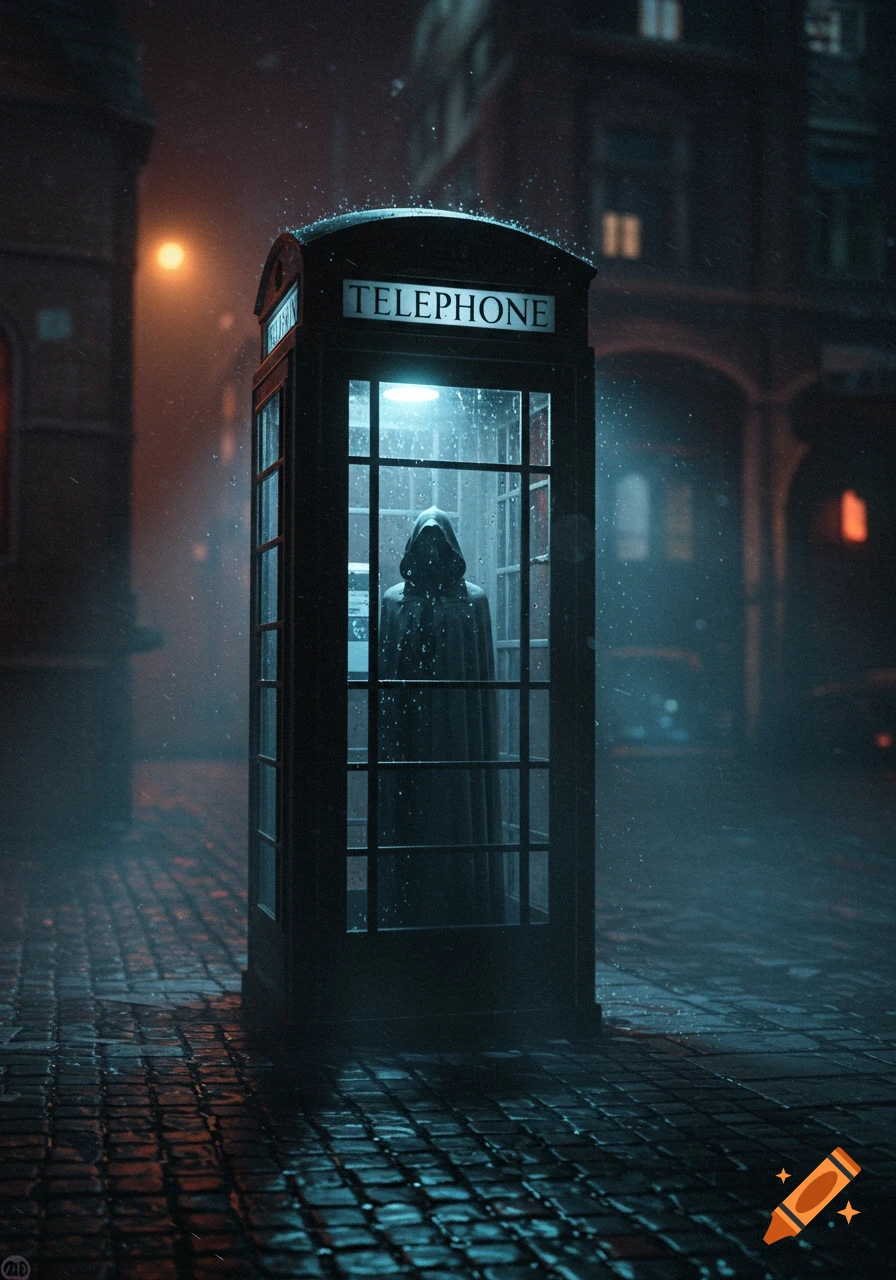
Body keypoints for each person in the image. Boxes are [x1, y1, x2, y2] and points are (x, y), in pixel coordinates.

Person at [378, 508, 506, 928]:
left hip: (457, 731)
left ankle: (463, 899)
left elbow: (479, 678)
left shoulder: (474, 601)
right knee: (412, 812)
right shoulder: (395, 601)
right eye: (424, 541)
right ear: (414, 546)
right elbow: (388, 673)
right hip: (410, 730)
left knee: (455, 810)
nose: (431, 550)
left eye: (438, 541)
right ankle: (408, 897)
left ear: (450, 546)